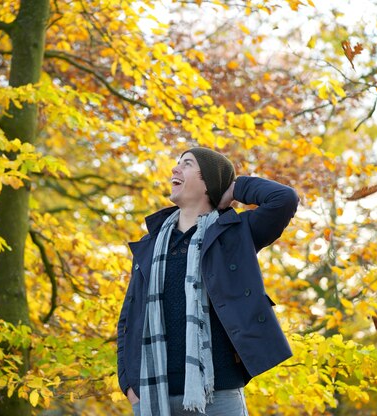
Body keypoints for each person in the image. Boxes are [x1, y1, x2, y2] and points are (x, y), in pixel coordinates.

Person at [117, 147, 299, 415]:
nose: (175, 169)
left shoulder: (236, 233)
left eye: (187, 164)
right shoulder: (151, 245)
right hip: (153, 396)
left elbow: (283, 199)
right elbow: (128, 318)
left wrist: (235, 188)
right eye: (177, 163)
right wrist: (128, 385)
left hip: (220, 396)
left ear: (208, 182)